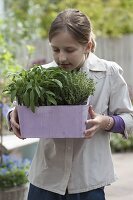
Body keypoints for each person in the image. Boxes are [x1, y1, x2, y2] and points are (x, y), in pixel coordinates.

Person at [8, 8, 133, 200]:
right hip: (45, 180)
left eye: (69, 50)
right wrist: (13, 115)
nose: (61, 58)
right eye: (55, 49)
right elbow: (19, 107)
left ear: (88, 46)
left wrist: (104, 122)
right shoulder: (40, 74)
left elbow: (129, 118)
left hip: (88, 182)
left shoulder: (109, 72)